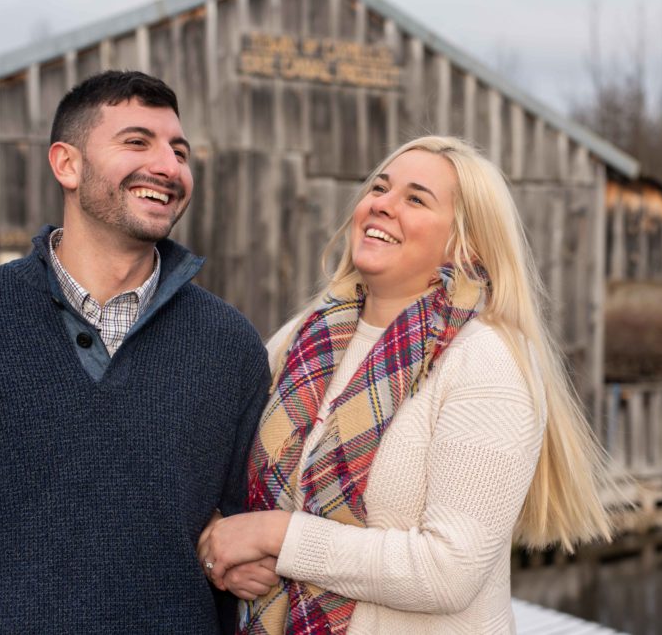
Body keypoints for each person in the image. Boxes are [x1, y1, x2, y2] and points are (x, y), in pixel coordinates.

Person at [197, 135, 611, 634]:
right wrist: (220, 546)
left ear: (466, 243)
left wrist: (277, 537)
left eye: (415, 199)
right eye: (379, 188)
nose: (381, 205)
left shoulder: (486, 359)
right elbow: (227, 494)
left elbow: (447, 572)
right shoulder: (302, 340)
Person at [0, 70, 270, 633]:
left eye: (179, 150)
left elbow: (239, 537)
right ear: (66, 164)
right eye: (137, 142)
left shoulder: (230, 346)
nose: (168, 166)